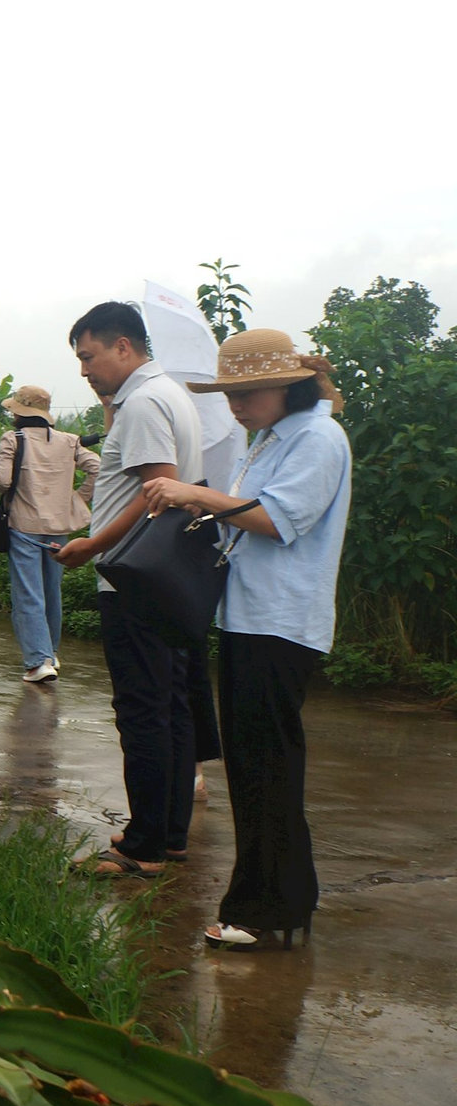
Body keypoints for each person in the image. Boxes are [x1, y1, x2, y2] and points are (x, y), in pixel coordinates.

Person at [138, 330, 351, 950]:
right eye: (230, 393)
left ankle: (262, 909)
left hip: (280, 623)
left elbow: (279, 521)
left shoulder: (316, 437)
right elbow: (244, 513)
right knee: (257, 765)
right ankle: (282, 900)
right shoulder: (273, 437)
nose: (237, 404)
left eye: (249, 392)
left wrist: (198, 493)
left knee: (268, 765)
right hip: (250, 616)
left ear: (286, 385)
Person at [54, 301, 204, 878]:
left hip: (135, 577)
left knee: (142, 710)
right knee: (169, 705)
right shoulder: (167, 394)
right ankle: (167, 833)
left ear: (123, 347)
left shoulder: (142, 403)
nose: (85, 370)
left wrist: (91, 545)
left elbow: (156, 492)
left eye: (89, 356)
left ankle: (141, 848)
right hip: (163, 575)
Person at [0, 385, 99, 683]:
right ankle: (50, 653)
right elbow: (98, 469)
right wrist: (77, 498)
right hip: (58, 529)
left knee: (28, 594)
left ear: (18, 412)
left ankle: (38, 661)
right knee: (52, 591)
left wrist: (1, 492)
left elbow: (1, 479)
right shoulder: (69, 441)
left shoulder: (13, 439)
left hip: (24, 526)